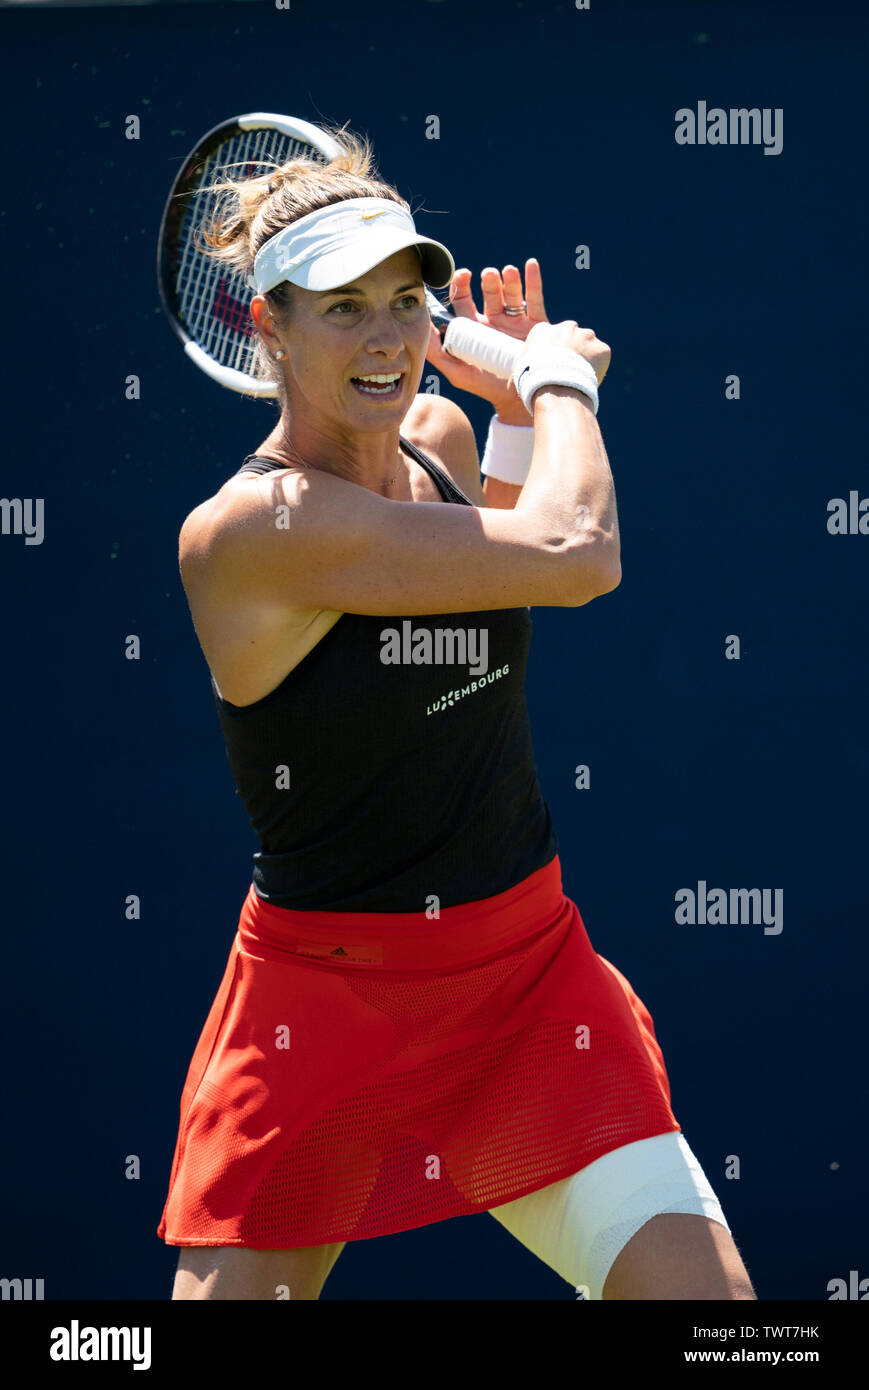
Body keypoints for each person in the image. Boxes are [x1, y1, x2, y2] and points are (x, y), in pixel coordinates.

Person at [157, 128, 756, 1301]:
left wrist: (518, 414)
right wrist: (560, 382)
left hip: (524, 984)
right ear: (267, 327)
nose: (388, 337)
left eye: (407, 299)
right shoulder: (250, 534)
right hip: (320, 1017)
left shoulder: (433, 435)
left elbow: (492, 562)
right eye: (343, 308)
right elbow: (571, 551)